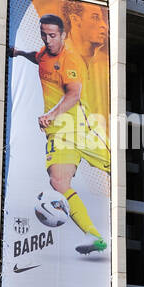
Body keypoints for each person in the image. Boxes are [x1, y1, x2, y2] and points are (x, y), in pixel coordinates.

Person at [9, 13, 108, 255]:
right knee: (59, 182)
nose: (48, 40)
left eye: (52, 35)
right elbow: (37, 57)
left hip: (81, 129)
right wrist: (19, 53)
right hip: (59, 134)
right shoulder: (44, 53)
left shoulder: (70, 60)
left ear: (63, 35)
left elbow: (73, 94)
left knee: (116, 168)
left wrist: (51, 114)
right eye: (44, 35)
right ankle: (94, 236)